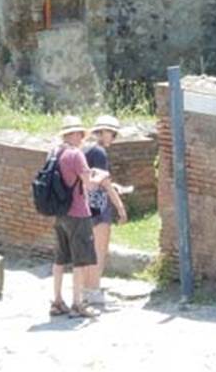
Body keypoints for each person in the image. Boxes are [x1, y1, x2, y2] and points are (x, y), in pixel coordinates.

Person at [50, 115, 106, 319]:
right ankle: (77, 303)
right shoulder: (75, 155)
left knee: (59, 258)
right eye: (80, 134)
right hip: (78, 213)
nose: (82, 138)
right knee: (80, 260)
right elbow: (89, 185)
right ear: (73, 135)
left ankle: (57, 301)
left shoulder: (55, 153)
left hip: (60, 213)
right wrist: (101, 177)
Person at [83, 114, 128, 306]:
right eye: (112, 133)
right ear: (104, 132)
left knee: (87, 250)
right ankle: (94, 290)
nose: (113, 138)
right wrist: (120, 206)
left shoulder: (84, 148)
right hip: (99, 208)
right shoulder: (99, 152)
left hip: (83, 206)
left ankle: (85, 288)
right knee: (99, 250)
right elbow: (105, 183)